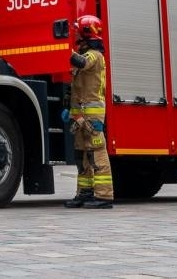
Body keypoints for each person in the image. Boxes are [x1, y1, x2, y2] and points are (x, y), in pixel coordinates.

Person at [63, 15, 114, 209]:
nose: (75, 33)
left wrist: (60, 47)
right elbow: (75, 87)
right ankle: (85, 193)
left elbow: (81, 63)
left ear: (87, 33)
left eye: (78, 30)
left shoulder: (94, 55)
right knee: (81, 155)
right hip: (79, 115)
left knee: (96, 153)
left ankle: (104, 196)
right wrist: (68, 109)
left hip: (92, 115)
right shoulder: (83, 53)